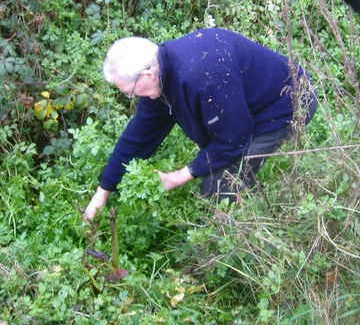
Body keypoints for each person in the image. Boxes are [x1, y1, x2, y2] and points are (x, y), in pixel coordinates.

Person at [84, 28, 317, 220]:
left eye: (129, 92)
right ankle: (246, 192)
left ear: (148, 74)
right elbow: (137, 138)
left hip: (289, 102)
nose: (132, 97)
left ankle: (242, 233)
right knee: (218, 166)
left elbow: (232, 140)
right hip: (244, 107)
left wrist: (180, 175)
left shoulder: (200, 79)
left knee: (218, 187)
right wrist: (103, 191)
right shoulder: (160, 79)